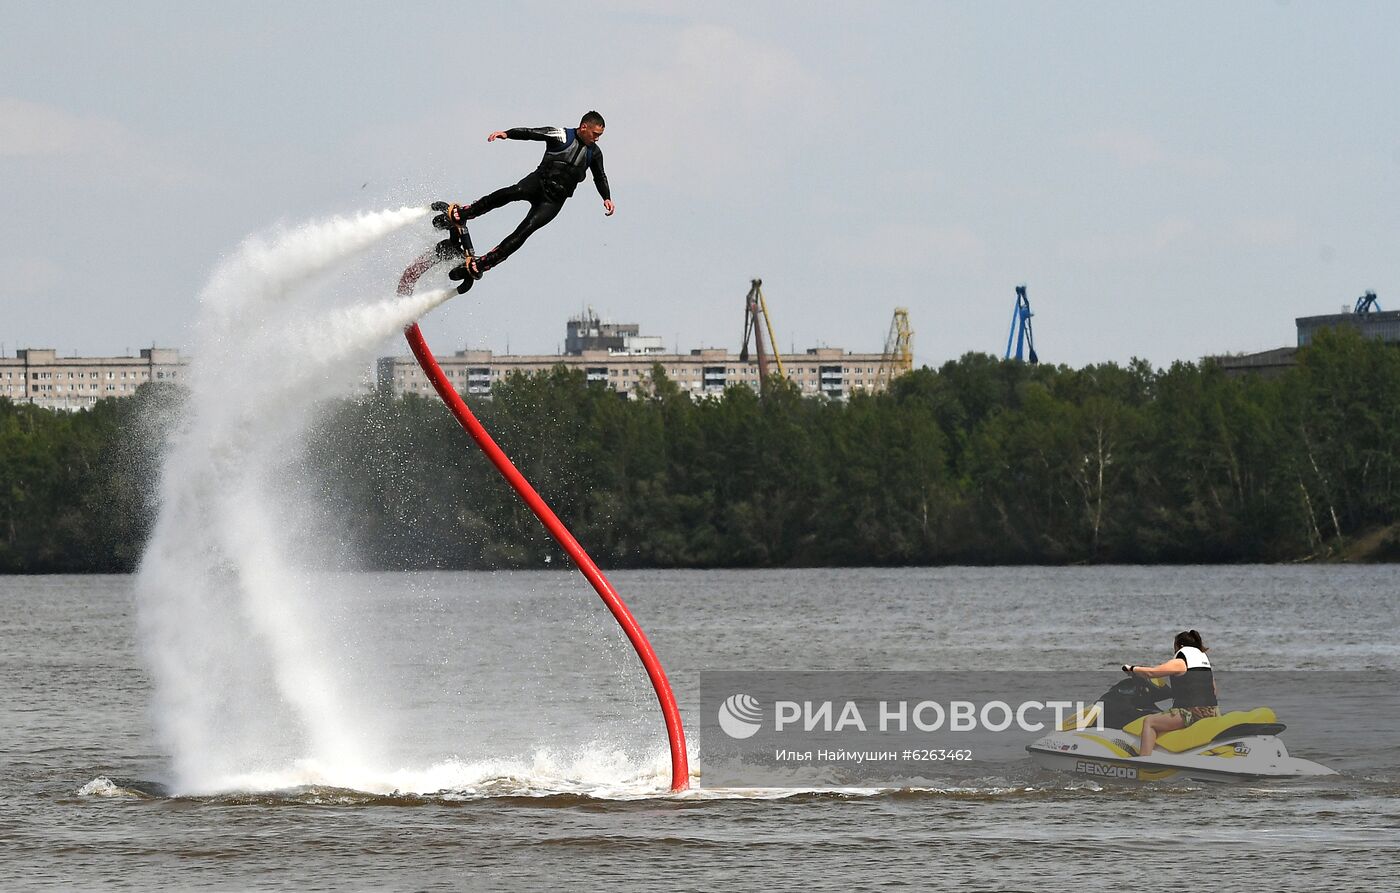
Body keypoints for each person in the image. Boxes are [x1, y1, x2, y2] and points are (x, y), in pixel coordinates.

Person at [434, 111, 613, 286]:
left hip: (553, 201)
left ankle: (483, 263)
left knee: (525, 230)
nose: (597, 139)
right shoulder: (561, 135)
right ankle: (466, 213)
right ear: (584, 127)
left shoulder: (594, 153)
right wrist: (507, 134)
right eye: (596, 134)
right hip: (538, 182)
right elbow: (531, 133)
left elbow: (600, 176)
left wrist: (606, 197)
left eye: (600, 135)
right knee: (513, 192)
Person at [1120, 629, 1219, 756]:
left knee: (1149, 722)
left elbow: (1152, 673)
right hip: (1212, 711)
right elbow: (1214, 690)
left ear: (1179, 645)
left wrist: (1132, 669)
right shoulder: (1205, 664)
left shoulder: (1180, 662)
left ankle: (1144, 762)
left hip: (1190, 713)